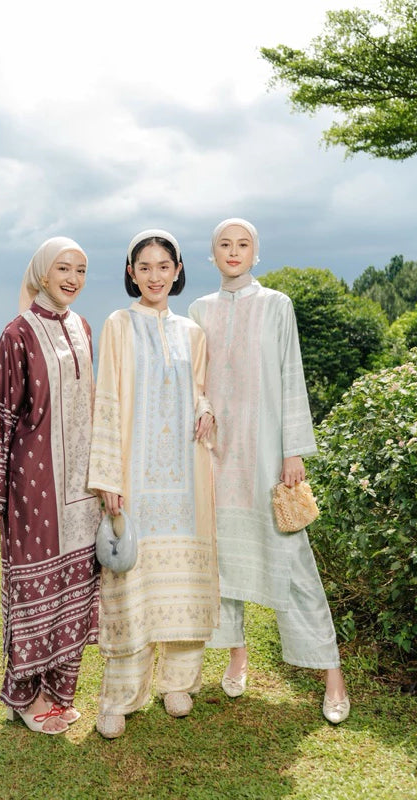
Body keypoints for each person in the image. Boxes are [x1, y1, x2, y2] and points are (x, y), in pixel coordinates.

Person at [189, 218, 350, 725]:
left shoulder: (277, 305)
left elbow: (290, 374)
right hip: (215, 455)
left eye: (243, 245)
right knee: (223, 564)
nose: (233, 252)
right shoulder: (198, 311)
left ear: (255, 254)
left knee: (293, 562)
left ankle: (332, 673)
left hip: (267, 458)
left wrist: (294, 450)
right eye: (224, 245)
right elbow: (193, 379)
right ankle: (237, 657)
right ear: (211, 255)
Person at [88, 229, 219, 739]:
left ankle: (178, 683)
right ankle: (120, 696)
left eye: (164, 265)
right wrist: (109, 476)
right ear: (130, 273)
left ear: (178, 270)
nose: (155, 275)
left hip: (187, 478)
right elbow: (108, 399)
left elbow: (201, 390)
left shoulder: (192, 333)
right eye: (145, 266)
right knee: (131, 582)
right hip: (135, 480)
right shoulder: (119, 325)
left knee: (184, 581)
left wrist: (206, 411)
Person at [0, 237, 102, 734]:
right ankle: (24, 698)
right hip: (34, 486)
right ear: (43, 273)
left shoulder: (83, 328)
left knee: (75, 587)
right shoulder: (18, 332)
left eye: (81, 270)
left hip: (83, 487)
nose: (72, 278)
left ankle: (58, 690)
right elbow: (2, 413)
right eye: (63, 268)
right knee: (34, 592)